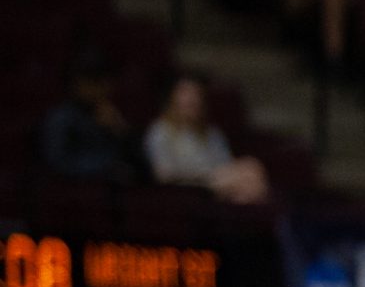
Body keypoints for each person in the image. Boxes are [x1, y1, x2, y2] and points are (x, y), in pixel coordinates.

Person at [144, 73, 272, 205]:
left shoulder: (210, 132)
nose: (191, 99)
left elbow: (225, 163)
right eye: (185, 93)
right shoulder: (160, 131)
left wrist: (218, 175)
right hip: (190, 184)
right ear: (172, 98)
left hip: (217, 180)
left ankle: (247, 213)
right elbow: (163, 174)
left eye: (196, 94)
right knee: (249, 173)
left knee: (250, 171)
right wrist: (202, 175)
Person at [40, 52, 140, 186]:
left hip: (109, 189)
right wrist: (106, 167)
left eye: (106, 83)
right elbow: (58, 164)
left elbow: (135, 158)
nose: (104, 89)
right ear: (79, 83)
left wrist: (120, 130)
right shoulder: (61, 118)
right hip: (74, 191)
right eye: (96, 83)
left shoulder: (109, 113)